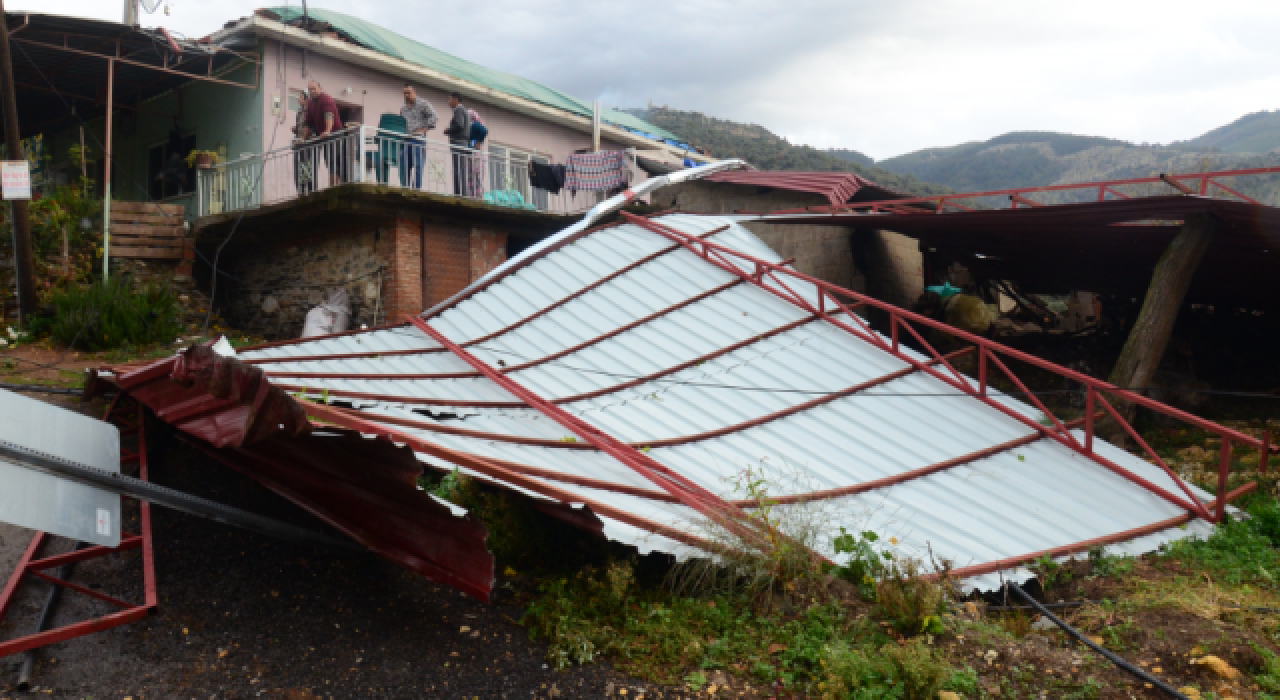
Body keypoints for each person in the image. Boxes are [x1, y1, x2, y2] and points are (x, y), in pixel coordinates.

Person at [305, 80, 346, 186]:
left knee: (332, 160)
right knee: (327, 160)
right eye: (310, 89)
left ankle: (334, 186)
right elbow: (308, 123)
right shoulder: (310, 103)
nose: (312, 91)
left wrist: (328, 131)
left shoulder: (326, 99)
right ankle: (316, 187)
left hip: (335, 133)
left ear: (320, 88)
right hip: (323, 135)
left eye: (314, 88)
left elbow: (329, 116)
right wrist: (304, 139)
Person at [399, 85, 437, 189]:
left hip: (418, 139)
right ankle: (405, 189)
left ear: (414, 92)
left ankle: (416, 190)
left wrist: (425, 128)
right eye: (405, 93)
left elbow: (434, 117)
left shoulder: (423, 104)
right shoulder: (403, 108)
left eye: (409, 93)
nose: (406, 95)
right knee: (405, 166)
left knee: (418, 166)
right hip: (406, 140)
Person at [443, 91, 472, 196]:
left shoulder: (459, 110)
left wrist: (448, 130)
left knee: (458, 171)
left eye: (449, 99)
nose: (449, 102)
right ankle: (461, 194)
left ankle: (459, 194)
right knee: (461, 170)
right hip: (463, 144)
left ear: (455, 99)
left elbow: (459, 125)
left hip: (459, 144)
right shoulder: (464, 111)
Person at [292, 91, 315, 195]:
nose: (298, 99)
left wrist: (305, 138)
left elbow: (310, 127)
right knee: (298, 167)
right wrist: (295, 130)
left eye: (301, 97)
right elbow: (300, 127)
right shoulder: (299, 112)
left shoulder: (310, 111)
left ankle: (309, 190)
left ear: (306, 99)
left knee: (306, 165)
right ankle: (300, 190)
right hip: (299, 143)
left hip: (307, 143)